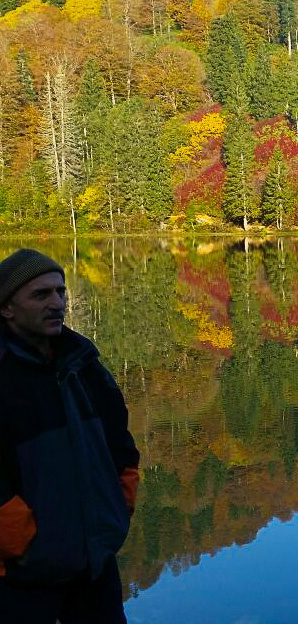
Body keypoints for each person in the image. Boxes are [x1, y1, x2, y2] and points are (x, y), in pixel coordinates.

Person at [0, 249, 140, 624]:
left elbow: (120, 442)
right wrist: (15, 538)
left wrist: (118, 505)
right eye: (41, 295)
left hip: (94, 562)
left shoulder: (84, 363)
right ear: (7, 309)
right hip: (22, 574)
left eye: (60, 292)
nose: (57, 303)